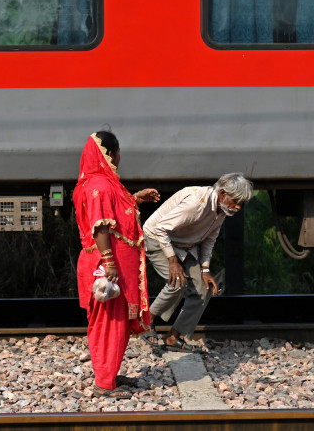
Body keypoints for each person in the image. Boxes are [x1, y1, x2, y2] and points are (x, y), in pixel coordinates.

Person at [73, 131, 160, 399]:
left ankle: (109, 374)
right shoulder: (101, 185)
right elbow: (101, 226)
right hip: (108, 268)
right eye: (119, 152)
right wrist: (109, 262)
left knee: (117, 322)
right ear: (110, 154)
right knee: (109, 322)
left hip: (112, 266)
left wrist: (135, 199)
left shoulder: (97, 183)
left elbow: (113, 214)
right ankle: (104, 383)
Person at [143, 172, 253, 352]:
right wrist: (172, 261)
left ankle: (173, 337)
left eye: (241, 203)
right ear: (223, 193)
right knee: (177, 283)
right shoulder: (195, 203)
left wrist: (205, 269)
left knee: (205, 288)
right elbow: (161, 229)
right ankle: (146, 321)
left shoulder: (222, 209)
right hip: (157, 238)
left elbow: (210, 240)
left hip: (184, 246)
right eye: (236, 201)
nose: (238, 207)